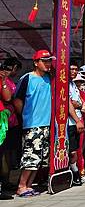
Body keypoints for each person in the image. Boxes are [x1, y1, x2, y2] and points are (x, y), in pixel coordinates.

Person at [13, 50, 54, 196]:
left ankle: (29, 185)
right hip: (32, 124)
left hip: (46, 124)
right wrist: (26, 116)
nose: (48, 63)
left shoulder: (50, 78)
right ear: (36, 63)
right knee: (30, 156)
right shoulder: (27, 78)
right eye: (44, 61)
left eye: (49, 60)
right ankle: (21, 186)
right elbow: (17, 100)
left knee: (40, 158)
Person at [0, 57, 22, 199]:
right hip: (3, 120)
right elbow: (8, 98)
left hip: (10, 122)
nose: (7, 72)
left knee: (6, 153)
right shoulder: (3, 81)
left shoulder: (9, 81)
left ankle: (6, 182)